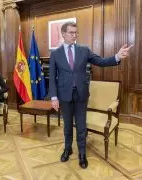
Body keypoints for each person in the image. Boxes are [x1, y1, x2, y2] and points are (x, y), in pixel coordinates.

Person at [48, 22, 132, 169]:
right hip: (64, 95)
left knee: (81, 125)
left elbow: (101, 61)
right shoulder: (55, 54)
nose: (75, 35)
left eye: (76, 32)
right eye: (71, 32)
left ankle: (82, 153)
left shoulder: (84, 50)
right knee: (67, 126)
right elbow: (52, 77)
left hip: (81, 94)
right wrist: (54, 97)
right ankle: (68, 149)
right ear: (63, 34)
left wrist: (117, 56)